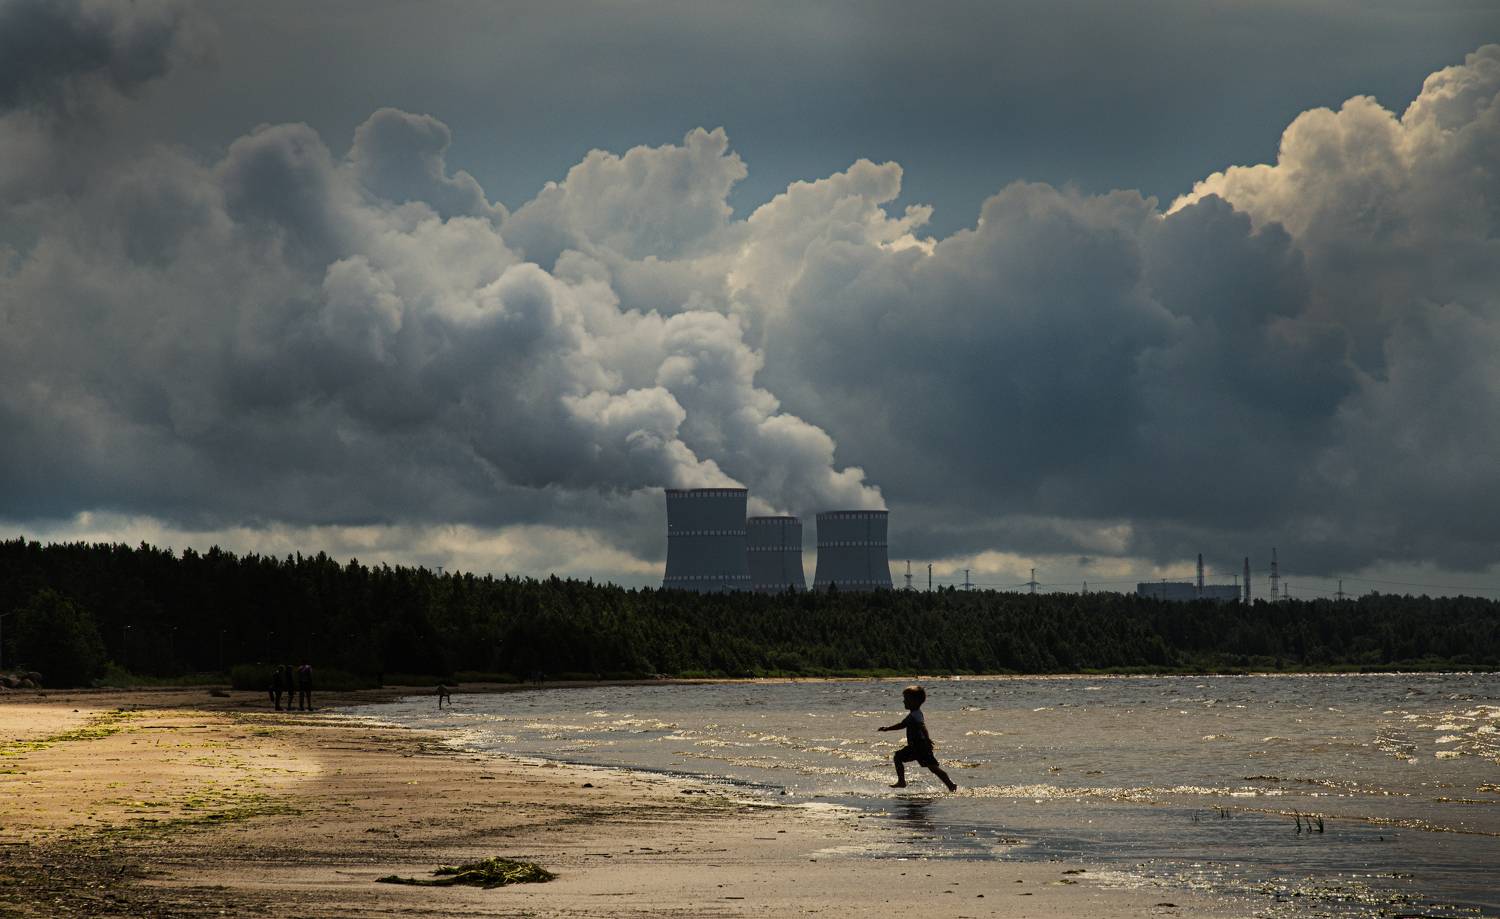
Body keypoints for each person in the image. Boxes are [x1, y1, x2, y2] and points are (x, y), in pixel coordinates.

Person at [877, 684, 957, 791]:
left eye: (906, 699)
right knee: (932, 767)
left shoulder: (916, 715)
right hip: (917, 746)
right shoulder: (914, 714)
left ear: (915, 701)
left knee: (931, 767)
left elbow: (922, 726)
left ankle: (902, 781)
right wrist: (887, 729)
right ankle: (950, 785)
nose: (904, 701)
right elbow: (902, 725)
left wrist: (927, 739)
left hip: (919, 746)